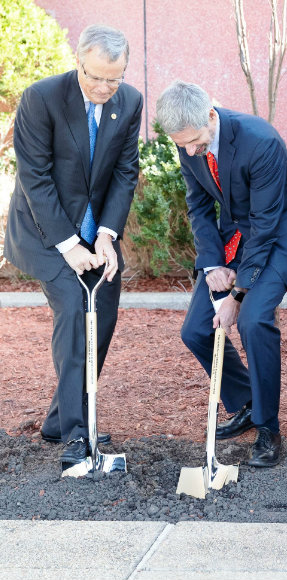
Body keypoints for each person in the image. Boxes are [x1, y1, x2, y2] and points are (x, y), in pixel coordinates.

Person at [155, 81, 287, 467]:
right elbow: (198, 207)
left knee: (255, 321)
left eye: (195, 142)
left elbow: (264, 225)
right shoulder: (187, 142)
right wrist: (212, 265)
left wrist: (238, 294)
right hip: (236, 240)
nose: (190, 151)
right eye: (183, 145)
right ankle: (246, 400)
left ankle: (267, 427)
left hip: (278, 237)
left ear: (211, 115)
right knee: (195, 330)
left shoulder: (259, 140)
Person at [4, 25, 142, 467]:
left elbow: (124, 172)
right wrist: (69, 245)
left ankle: (59, 420)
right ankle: (79, 436)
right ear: (78, 61)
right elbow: (35, 179)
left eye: (114, 78)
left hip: (93, 230)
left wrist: (106, 234)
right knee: (74, 309)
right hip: (45, 232)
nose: (104, 88)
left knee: (101, 315)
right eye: (95, 77)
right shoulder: (41, 98)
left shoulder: (130, 101)